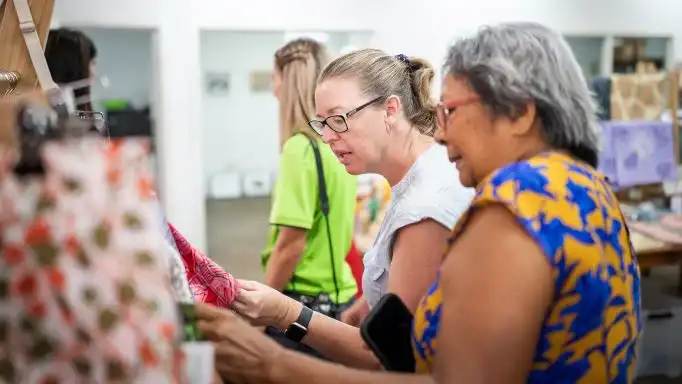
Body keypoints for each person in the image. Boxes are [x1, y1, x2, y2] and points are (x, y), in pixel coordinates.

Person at [196, 22, 641, 383]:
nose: (441, 131)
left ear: (521, 113)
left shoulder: (512, 209)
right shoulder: (585, 186)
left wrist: (274, 363)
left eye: (451, 111)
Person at [233, 47, 473, 369]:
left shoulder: (424, 210)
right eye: (322, 124)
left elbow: (391, 360)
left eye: (339, 119)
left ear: (390, 109)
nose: (328, 137)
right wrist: (372, 299)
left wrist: (285, 312)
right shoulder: (424, 177)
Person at [261, 38, 358, 356]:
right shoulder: (337, 145)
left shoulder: (299, 149)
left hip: (302, 305)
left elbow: (290, 245)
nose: (273, 88)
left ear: (287, 83)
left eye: (274, 78)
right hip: (340, 297)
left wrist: (263, 308)